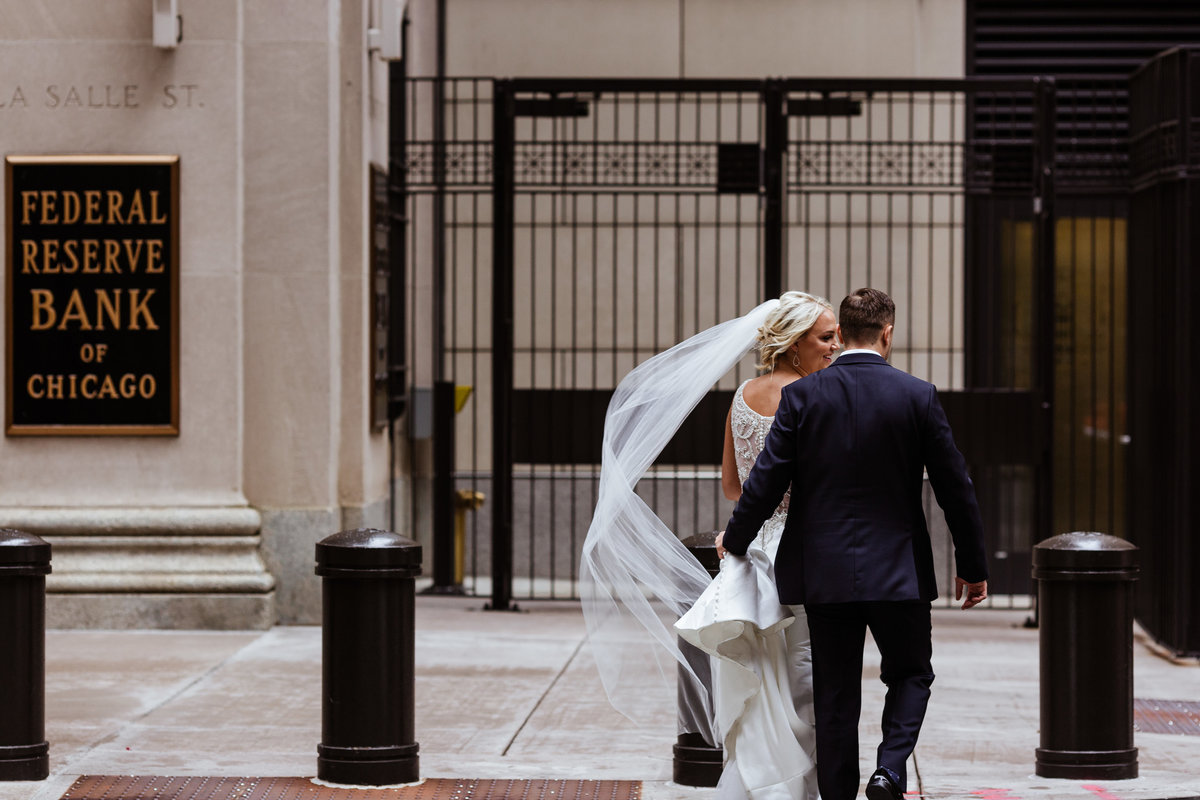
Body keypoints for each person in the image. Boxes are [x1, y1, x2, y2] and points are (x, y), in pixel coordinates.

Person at [716, 287, 990, 800]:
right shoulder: (918, 395)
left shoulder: (802, 396)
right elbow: (957, 488)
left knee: (834, 694)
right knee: (910, 674)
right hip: (900, 573)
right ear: (887, 333)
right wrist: (973, 567)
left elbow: (766, 481)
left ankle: (837, 796)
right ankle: (888, 770)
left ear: (841, 334)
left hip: (825, 574)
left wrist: (735, 540)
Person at [675, 291, 839, 800]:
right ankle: (797, 787)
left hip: (752, 546)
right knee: (805, 670)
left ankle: (756, 779)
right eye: (825, 337)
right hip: (804, 545)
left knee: (761, 668)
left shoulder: (743, 394)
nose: (835, 346)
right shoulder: (815, 397)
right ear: (794, 344)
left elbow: (731, 485)